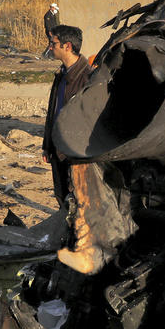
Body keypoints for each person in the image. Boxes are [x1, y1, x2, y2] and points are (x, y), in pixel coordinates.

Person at [42, 25, 93, 204]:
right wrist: (47, 145)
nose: (50, 47)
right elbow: (52, 112)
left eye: (53, 43)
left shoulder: (88, 79)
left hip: (76, 155)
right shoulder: (61, 74)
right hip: (58, 150)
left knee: (78, 202)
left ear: (68, 46)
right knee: (62, 197)